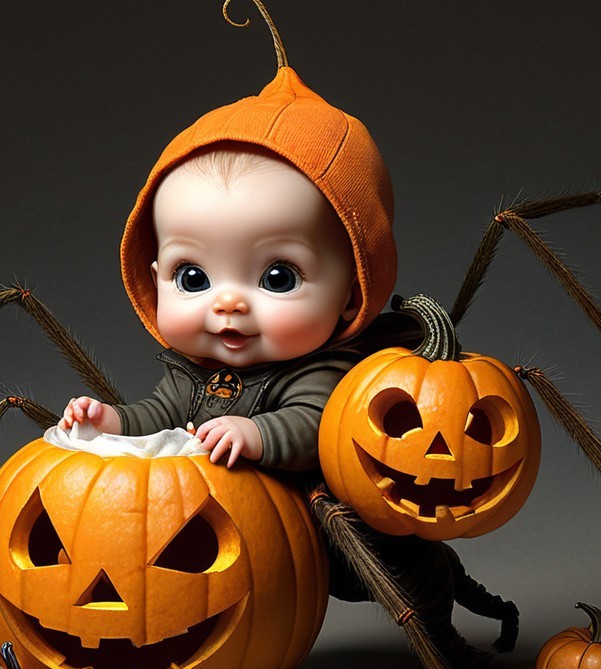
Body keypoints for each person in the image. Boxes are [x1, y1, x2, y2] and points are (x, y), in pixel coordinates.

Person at [59, 63, 399, 472]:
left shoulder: (321, 375)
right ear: (156, 280)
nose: (228, 303)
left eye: (278, 278)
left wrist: (256, 434)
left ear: (352, 294)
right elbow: (159, 417)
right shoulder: (191, 373)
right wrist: (111, 421)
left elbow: (318, 428)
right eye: (193, 278)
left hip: (305, 521)